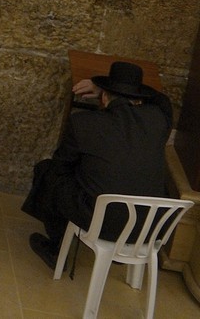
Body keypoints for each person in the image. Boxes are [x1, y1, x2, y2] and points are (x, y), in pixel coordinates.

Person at [22, 60, 174, 268]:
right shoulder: (158, 120)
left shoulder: (83, 122)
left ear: (103, 98)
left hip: (104, 224)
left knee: (47, 171)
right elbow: (163, 101)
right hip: (150, 229)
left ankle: (56, 248)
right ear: (139, 101)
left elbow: (60, 167)